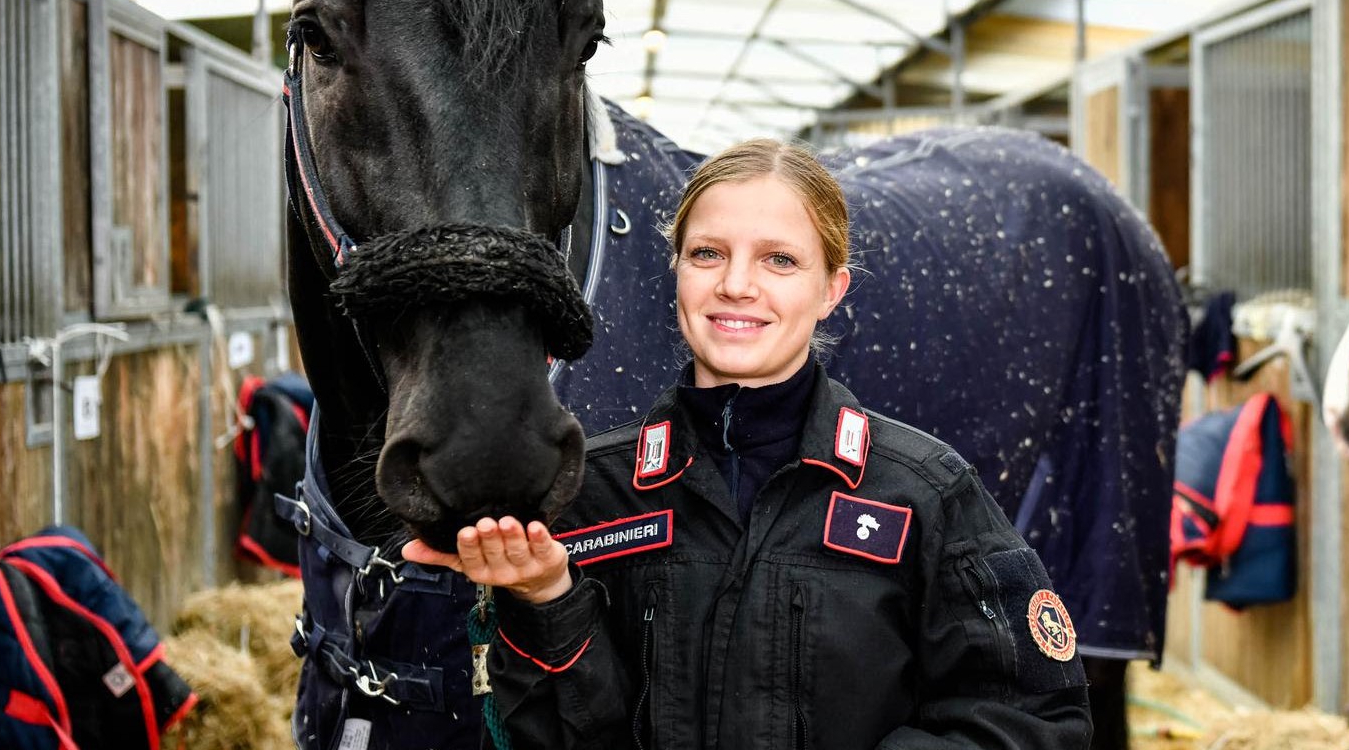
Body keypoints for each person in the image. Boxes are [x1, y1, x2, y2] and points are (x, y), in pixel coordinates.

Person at [404, 138, 1091, 749]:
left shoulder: (925, 492)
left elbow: (1032, 718)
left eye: (779, 260)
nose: (737, 285)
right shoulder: (590, 494)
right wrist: (546, 596)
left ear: (831, 290)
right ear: (675, 271)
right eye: (708, 253)